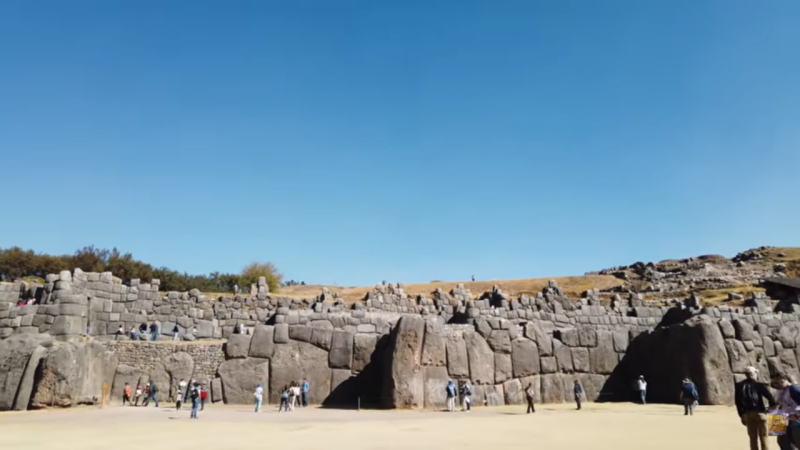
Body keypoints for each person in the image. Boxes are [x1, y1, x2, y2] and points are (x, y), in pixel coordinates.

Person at [735, 366, 776, 450]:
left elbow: (738, 402)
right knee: (764, 436)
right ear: (754, 373)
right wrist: (770, 409)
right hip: (759, 412)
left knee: (753, 438)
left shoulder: (739, 386)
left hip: (747, 414)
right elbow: (770, 398)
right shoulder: (759, 385)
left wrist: (741, 415)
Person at [775, 374, 800, 450]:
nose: (780, 384)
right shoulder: (781, 391)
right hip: (782, 416)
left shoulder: (793, 388)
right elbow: (780, 405)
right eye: (779, 382)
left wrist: (797, 415)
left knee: (796, 441)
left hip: (793, 418)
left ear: (788, 380)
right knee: (782, 441)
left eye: (782, 381)